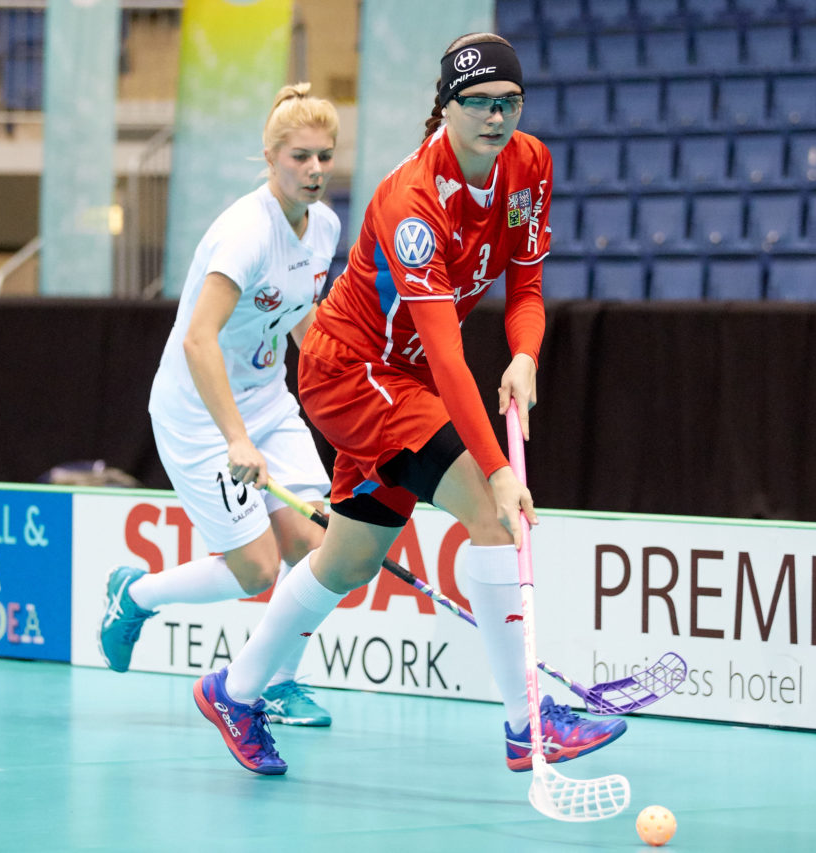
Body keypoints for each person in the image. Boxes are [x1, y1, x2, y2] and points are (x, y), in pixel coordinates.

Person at [191, 34, 626, 776]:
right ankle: (528, 725)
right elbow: (449, 356)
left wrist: (525, 354)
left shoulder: (531, 165)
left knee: (349, 559)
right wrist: (493, 466)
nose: (497, 117)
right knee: (492, 518)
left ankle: (232, 690)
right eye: (480, 103)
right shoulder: (412, 203)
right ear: (447, 109)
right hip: (352, 369)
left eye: (510, 102)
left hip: (405, 374)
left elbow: (524, 285)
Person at [98, 83, 341, 729]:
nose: (315, 170)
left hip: (266, 400)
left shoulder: (325, 228)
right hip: (200, 414)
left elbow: (298, 317)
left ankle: (279, 685)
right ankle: (135, 595)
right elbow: (199, 338)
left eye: (325, 156)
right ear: (269, 156)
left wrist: (339, 387)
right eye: (300, 157)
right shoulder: (245, 233)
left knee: (322, 546)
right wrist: (238, 439)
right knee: (254, 567)